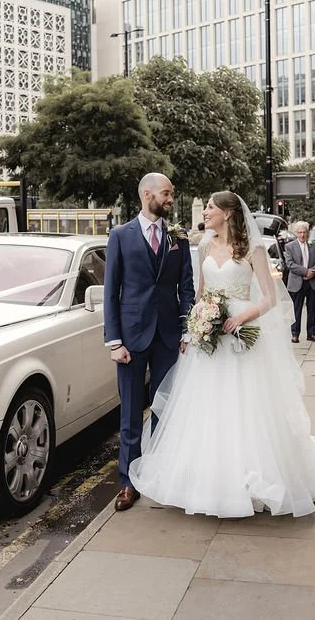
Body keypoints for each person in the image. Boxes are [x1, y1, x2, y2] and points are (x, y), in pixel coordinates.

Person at [129, 191, 315, 518]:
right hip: (209, 336)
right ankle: (208, 479)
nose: (207, 211)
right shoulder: (203, 246)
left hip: (241, 333)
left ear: (227, 213)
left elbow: (270, 298)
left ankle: (249, 479)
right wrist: (195, 325)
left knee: (245, 406)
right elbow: (199, 293)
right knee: (208, 408)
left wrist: (242, 317)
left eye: (211, 207)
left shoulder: (252, 249)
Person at [103, 172, 195, 512]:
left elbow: (186, 287)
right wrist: (114, 340)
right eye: (167, 194)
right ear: (147, 194)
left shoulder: (178, 236)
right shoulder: (120, 236)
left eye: (172, 194)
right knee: (129, 414)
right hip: (130, 337)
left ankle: (159, 476)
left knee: (165, 410)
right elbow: (111, 292)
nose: (171, 199)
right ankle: (128, 483)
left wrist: (187, 330)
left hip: (169, 335)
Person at [284, 220, 315, 343]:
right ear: (296, 233)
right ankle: (295, 334)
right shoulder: (289, 246)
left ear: (308, 233)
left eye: (304, 232)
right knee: (296, 309)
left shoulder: (314, 245)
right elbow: (290, 264)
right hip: (297, 282)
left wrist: (313, 272)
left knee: (312, 309)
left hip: (312, 282)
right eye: (299, 232)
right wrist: (305, 271)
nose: (302, 235)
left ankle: (311, 333)